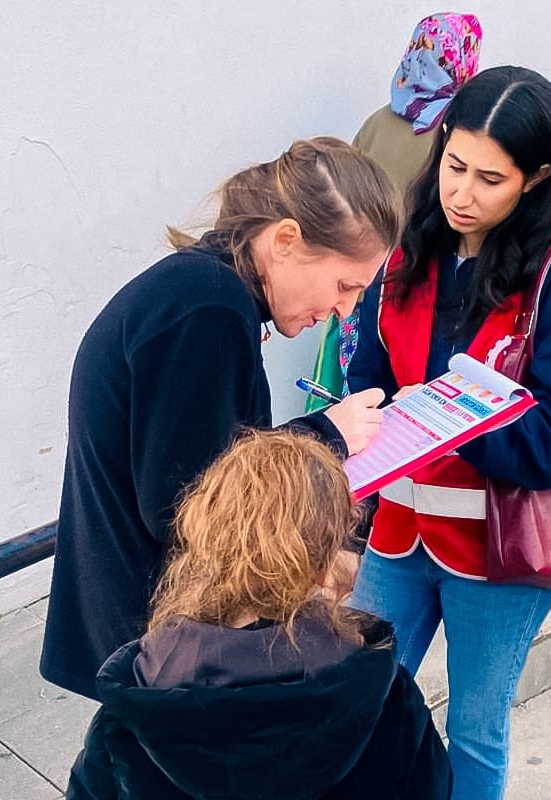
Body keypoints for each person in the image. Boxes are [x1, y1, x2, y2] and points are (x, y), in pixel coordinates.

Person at [40, 137, 400, 701]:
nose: (345, 309)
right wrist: (325, 436)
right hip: (159, 640)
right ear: (285, 241)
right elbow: (189, 502)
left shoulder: (203, 291)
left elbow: (203, 459)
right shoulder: (206, 307)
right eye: (344, 285)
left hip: (151, 629)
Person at [346, 66, 551, 799]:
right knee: (353, 707)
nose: (461, 193)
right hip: (398, 528)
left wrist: (450, 423)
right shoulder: (409, 249)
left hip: (501, 546)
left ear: (536, 179)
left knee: (474, 728)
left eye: (489, 179)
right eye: (453, 165)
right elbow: (366, 381)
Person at [65, 430, 451, 799]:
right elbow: (431, 787)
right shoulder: (382, 695)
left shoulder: (140, 696)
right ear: (323, 563)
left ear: (206, 535)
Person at [307, 13, 483, 413]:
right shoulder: (454, 133)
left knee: (349, 381)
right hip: (407, 284)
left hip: (352, 273)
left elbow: (343, 189)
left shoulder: (378, 120)